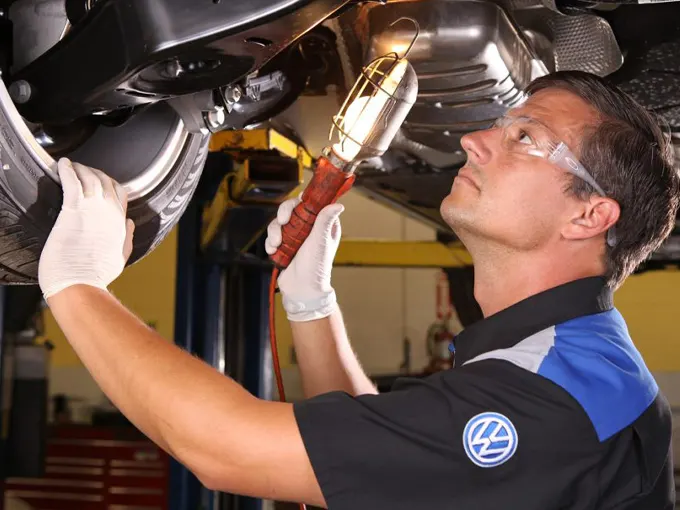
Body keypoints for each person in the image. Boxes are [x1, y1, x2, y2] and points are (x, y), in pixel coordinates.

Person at [38, 70, 679, 509]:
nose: (474, 141)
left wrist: (77, 284)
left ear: (589, 215)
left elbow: (223, 448)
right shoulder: (567, 360)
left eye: (525, 139)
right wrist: (312, 303)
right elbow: (384, 462)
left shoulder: (554, 400)